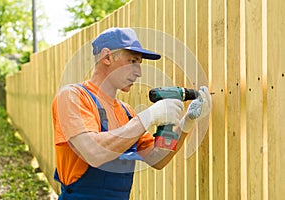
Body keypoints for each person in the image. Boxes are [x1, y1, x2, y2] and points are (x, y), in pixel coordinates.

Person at [52, 27, 211, 200]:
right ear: (107, 57)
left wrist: (185, 123)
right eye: (133, 61)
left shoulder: (126, 112)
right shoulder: (73, 96)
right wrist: (147, 117)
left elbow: (157, 158)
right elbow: (93, 152)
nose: (139, 72)